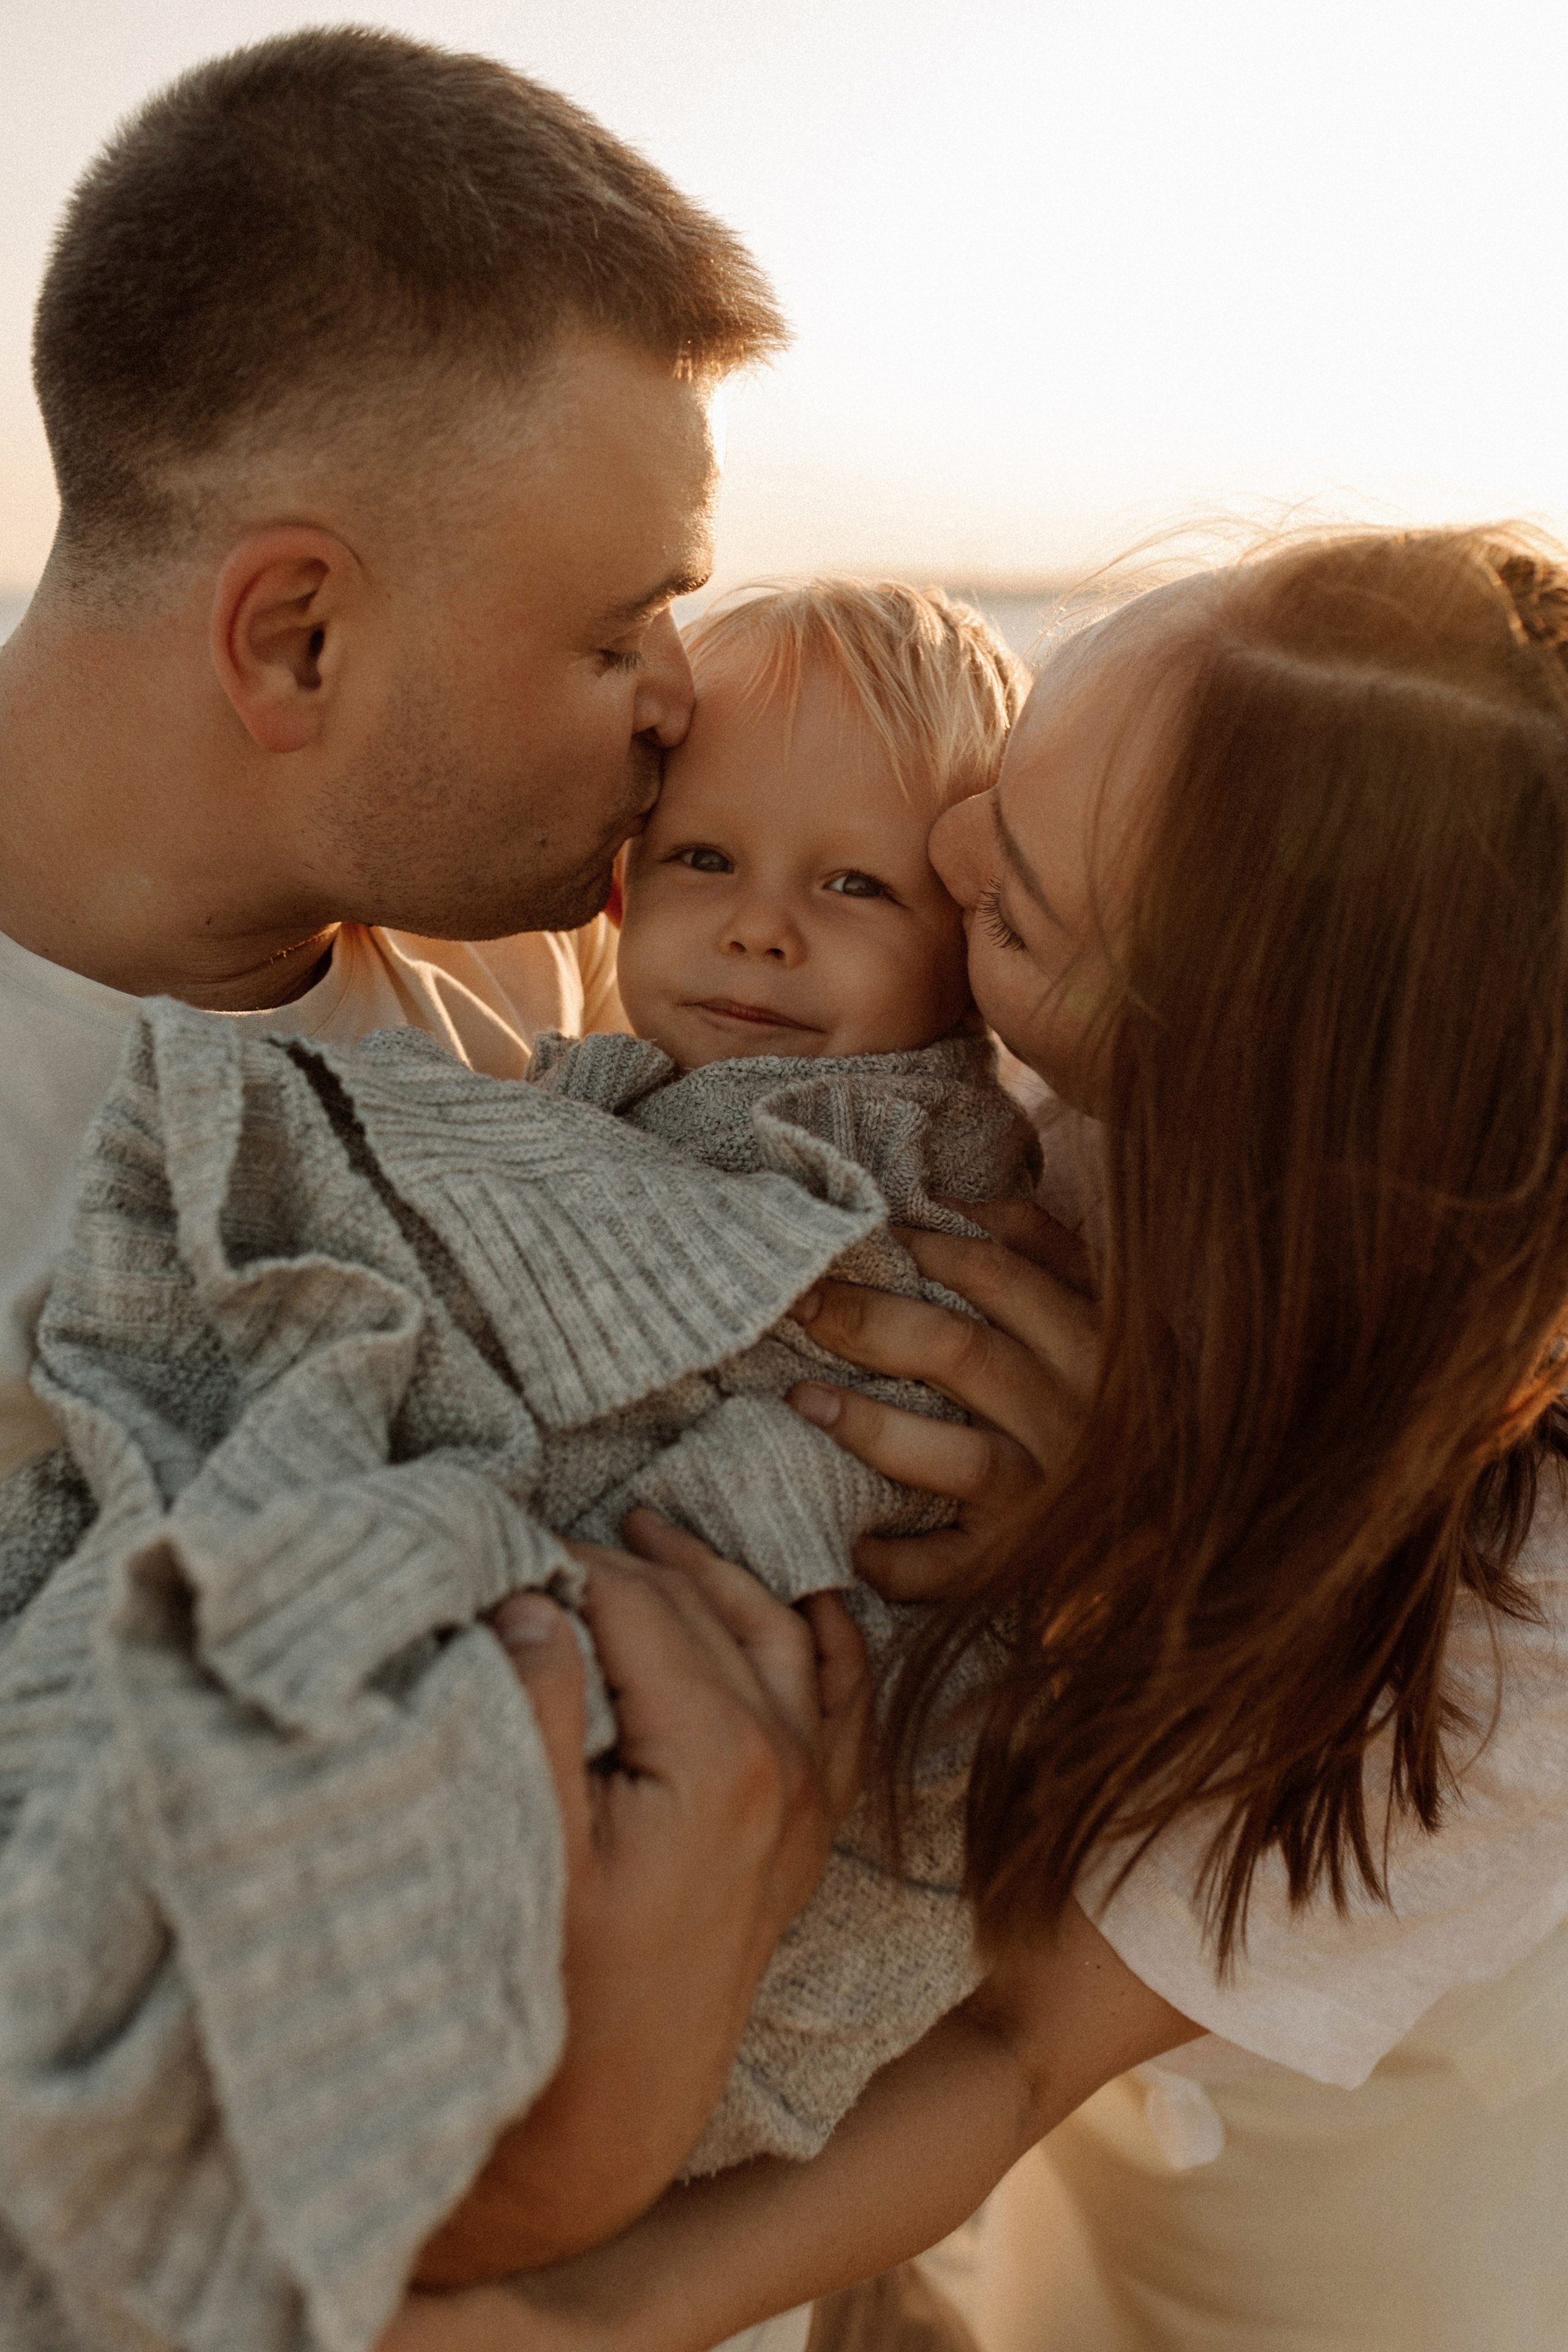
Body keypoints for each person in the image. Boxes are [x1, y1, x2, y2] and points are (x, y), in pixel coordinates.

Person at [388, 522, 1568, 2351]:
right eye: (1009, 779)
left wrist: (566, 2324)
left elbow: (1028, 2047)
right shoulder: (998, 1068)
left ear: (1213, 1080)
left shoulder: (1528, 1608)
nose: (934, 864)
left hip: (1354, 2130)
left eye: (1010, 904)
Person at [0, 27, 873, 2348]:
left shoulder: (565, 997)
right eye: (619, 630)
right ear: (295, 632)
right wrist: (557, 2161)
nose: (680, 698)